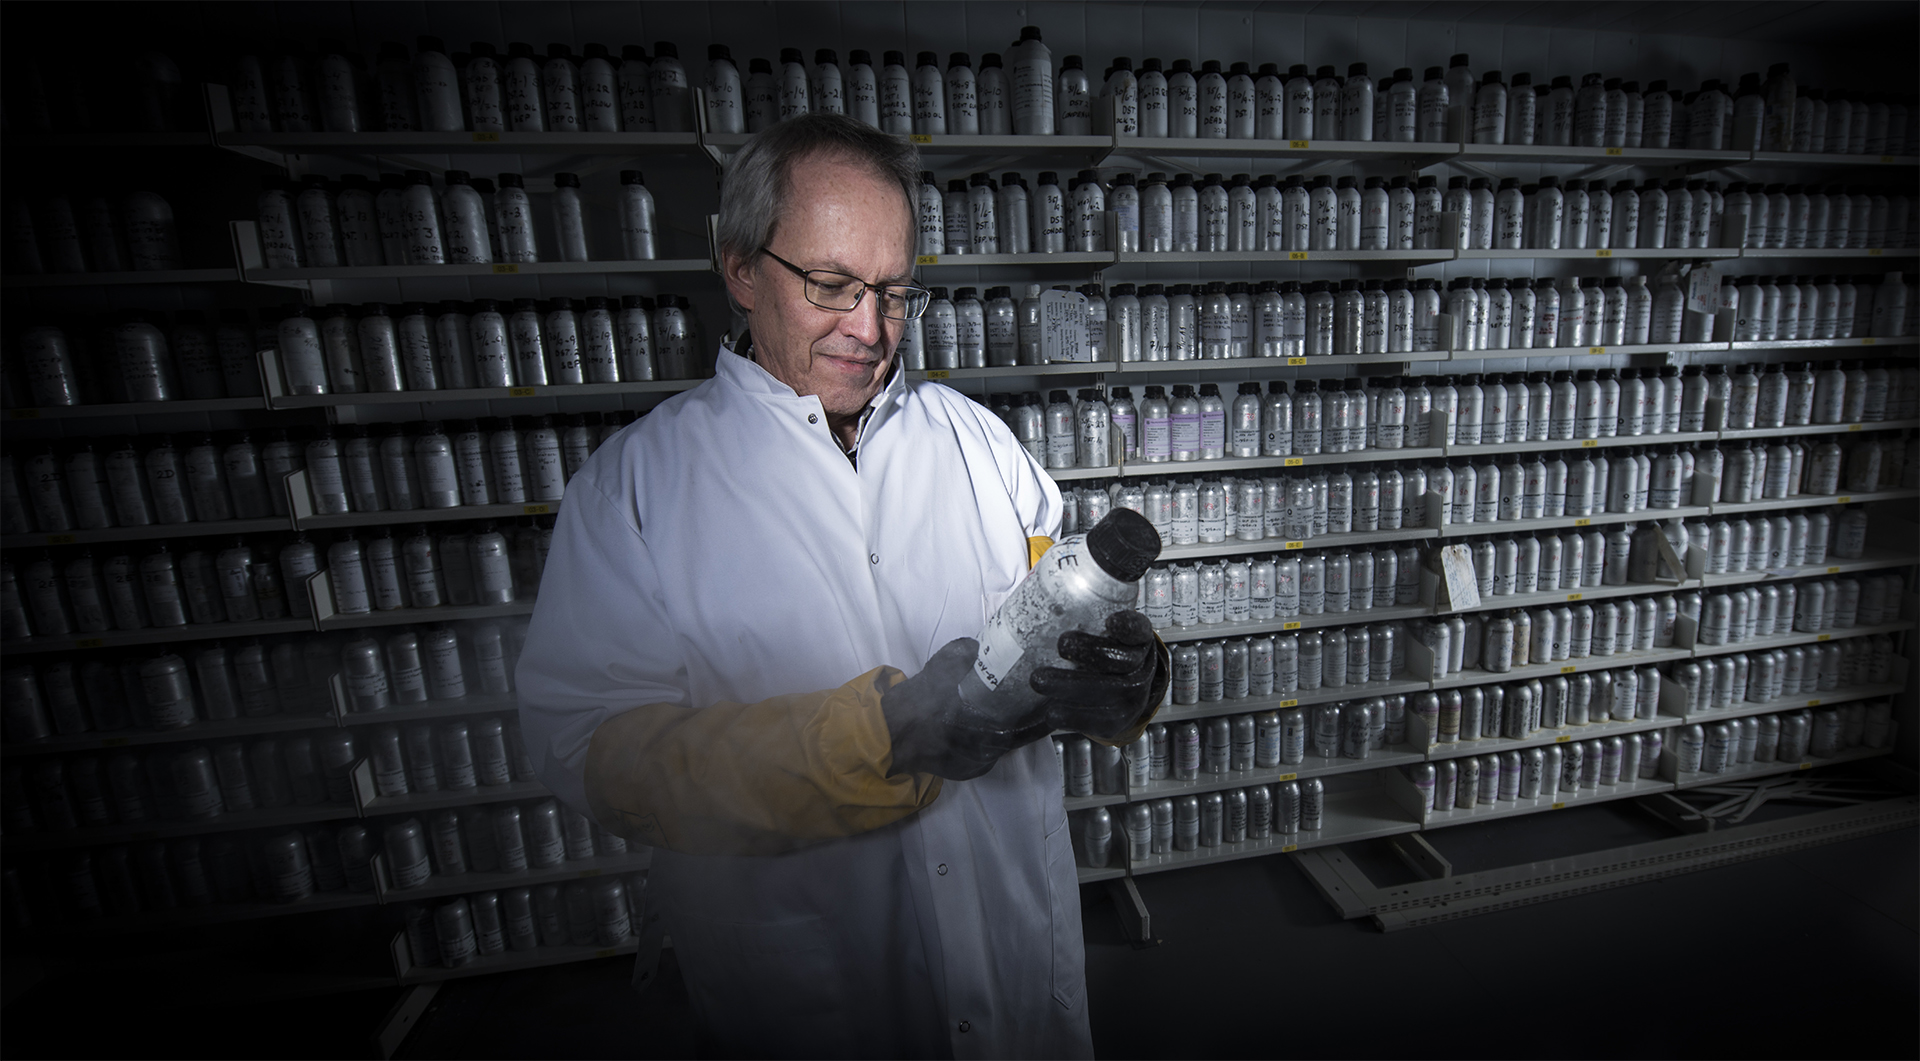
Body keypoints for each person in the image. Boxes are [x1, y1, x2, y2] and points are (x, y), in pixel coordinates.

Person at [516, 112, 1167, 1058]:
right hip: (814, 993)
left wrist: (1126, 678)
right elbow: (591, 752)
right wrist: (879, 739)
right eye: (831, 286)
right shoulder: (638, 488)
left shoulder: (980, 444)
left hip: (1015, 965)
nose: (869, 330)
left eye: (896, 292)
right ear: (741, 266)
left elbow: (1063, 614)